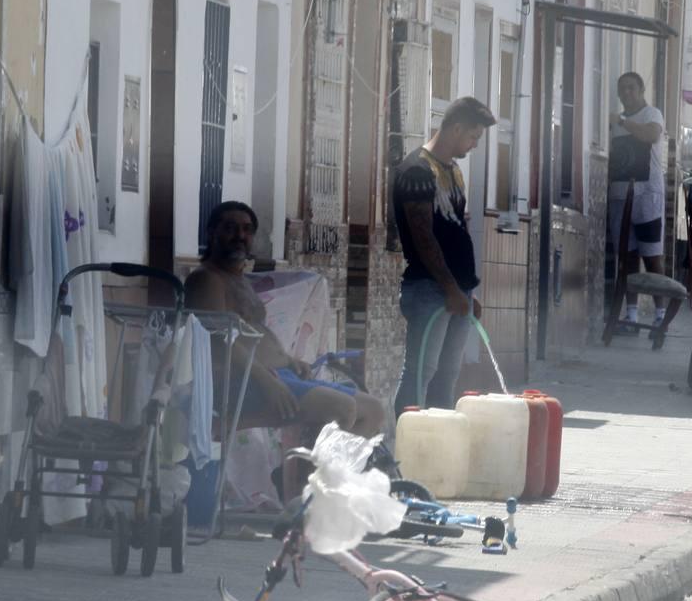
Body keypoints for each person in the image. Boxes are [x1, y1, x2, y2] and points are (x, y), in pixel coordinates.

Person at [185, 201, 387, 439]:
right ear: (212, 232)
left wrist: (289, 361)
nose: (240, 235)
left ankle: (334, 475)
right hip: (242, 383)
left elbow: (253, 332)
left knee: (373, 410)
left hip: (279, 374)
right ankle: (312, 474)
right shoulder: (206, 280)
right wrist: (268, 383)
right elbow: (217, 341)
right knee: (343, 409)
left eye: (247, 229)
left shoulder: (238, 279)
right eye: (230, 228)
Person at [392, 96, 497, 411]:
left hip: (456, 288)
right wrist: (451, 288)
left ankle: (439, 443)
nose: (475, 144)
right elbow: (424, 237)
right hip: (429, 288)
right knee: (421, 371)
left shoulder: (453, 171)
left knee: (448, 374)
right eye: (473, 136)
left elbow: (455, 233)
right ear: (456, 128)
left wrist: (466, 289)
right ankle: (405, 441)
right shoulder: (417, 170)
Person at [608, 71, 668, 331]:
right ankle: (631, 314)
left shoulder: (651, 114)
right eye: (622, 89)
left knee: (652, 257)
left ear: (642, 90)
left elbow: (651, 135)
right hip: (620, 196)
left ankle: (661, 313)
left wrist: (622, 122)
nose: (626, 93)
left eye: (631, 88)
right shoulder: (614, 121)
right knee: (628, 256)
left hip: (647, 196)